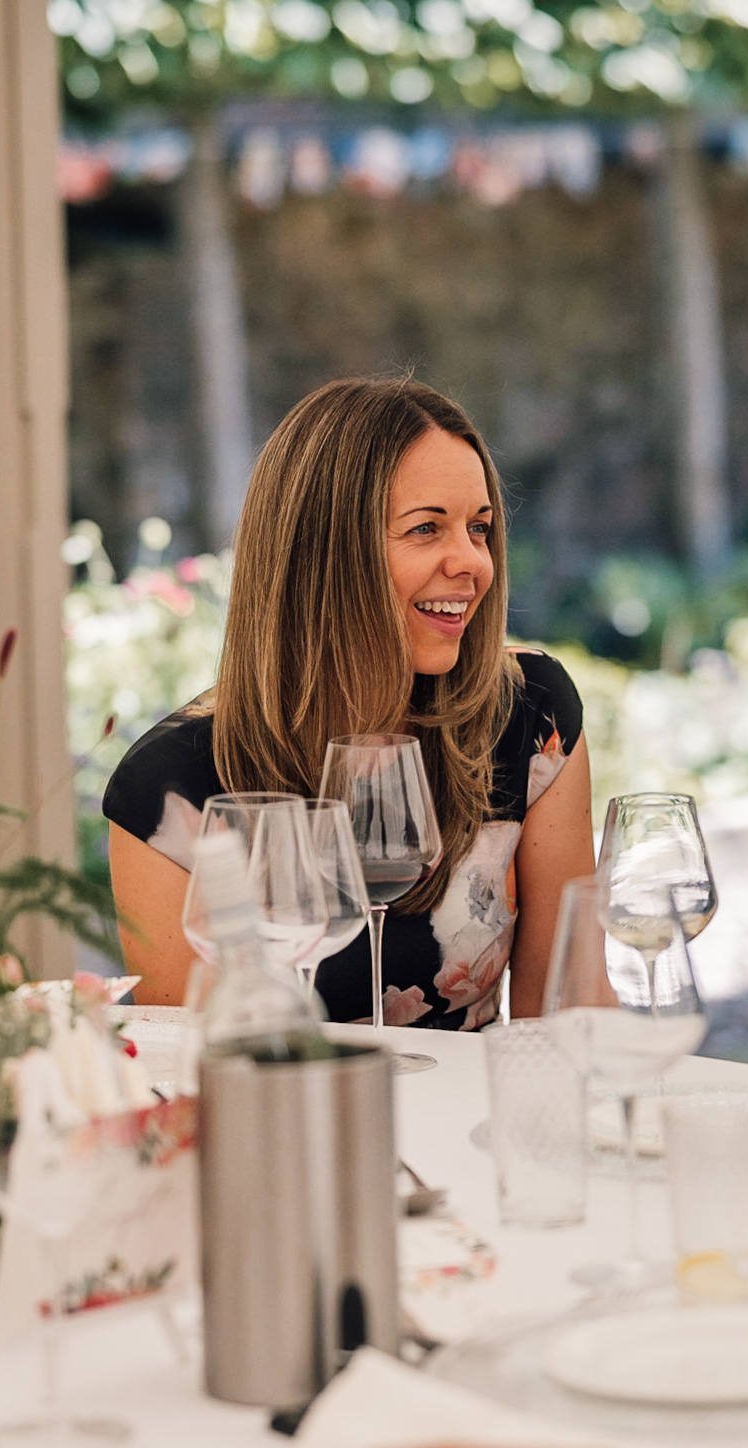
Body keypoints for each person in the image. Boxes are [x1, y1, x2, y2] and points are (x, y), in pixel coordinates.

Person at [104, 377, 595, 1025]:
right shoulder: (166, 790)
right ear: (325, 554)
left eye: (479, 528)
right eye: (427, 529)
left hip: (478, 1122)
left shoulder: (531, 714)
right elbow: (201, 1071)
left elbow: (568, 1009)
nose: (474, 562)